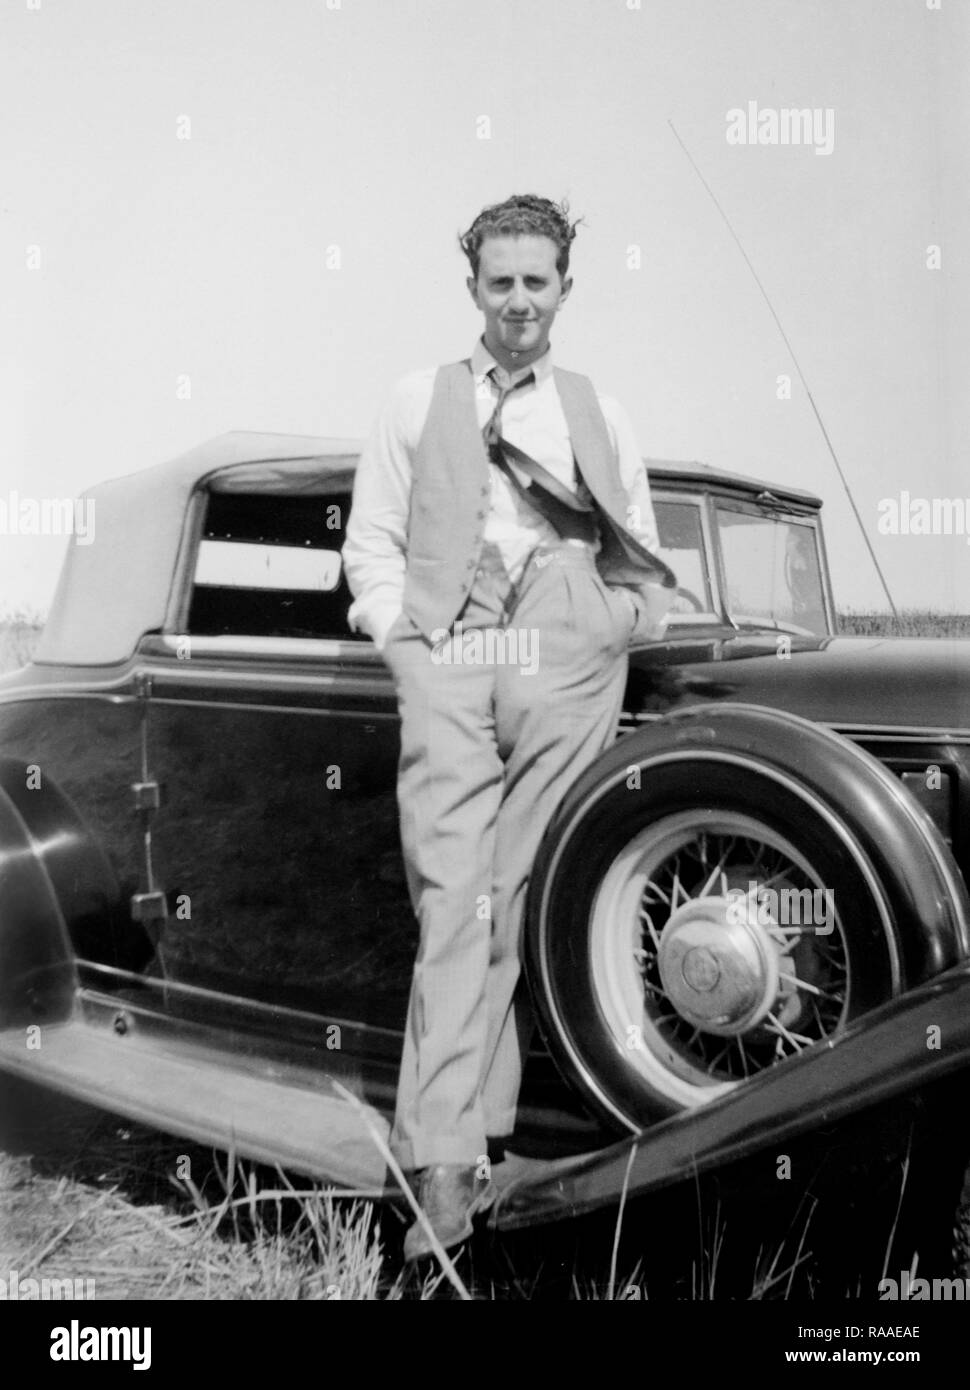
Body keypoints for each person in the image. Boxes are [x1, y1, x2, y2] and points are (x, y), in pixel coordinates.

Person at [342, 194, 674, 1260]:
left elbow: (642, 556)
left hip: (565, 649)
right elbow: (372, 545)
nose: (519, 301)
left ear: (564, 289)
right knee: (453, 898)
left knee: (518, 897)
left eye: (538, 282)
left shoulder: (598, 410)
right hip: (453, 650)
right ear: (473, 288)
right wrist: (406, 648)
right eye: (501, 283)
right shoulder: (413, 399)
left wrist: (609, 624)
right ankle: (439, 1157)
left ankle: (474, 1143)